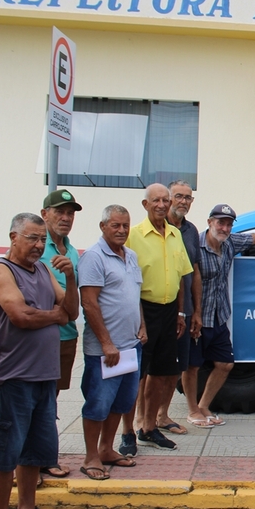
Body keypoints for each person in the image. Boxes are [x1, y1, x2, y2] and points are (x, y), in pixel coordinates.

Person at [0, 213, 76, 509]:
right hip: (12, 376)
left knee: (36, 449)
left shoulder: (44, 270)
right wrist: (54, 315)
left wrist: (70, 277)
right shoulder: (1, 272)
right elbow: (20, 316)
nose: (38, 245)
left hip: (44, 375)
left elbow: (72, 311)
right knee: (5, 451)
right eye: (32, 238)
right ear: (13, 237)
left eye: (41, 239)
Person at [187, 204, 255, 425]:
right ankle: (192, 411)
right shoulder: (194, 246)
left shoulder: (230, 242)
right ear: (210, 222)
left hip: (219, 317)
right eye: (221, 223)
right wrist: (190, 314)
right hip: (198, 318)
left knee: (225, 364)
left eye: (229, 224)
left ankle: (203, 406)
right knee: (192, 367)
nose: (225, 228)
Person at [120, 184, 192, 454]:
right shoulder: (133, 236)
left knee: (162, 375)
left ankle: (149, 428)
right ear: (145, 204)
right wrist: (138, 321)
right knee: (135, 376)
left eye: (165, 200)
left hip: (170, 311)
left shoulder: (175, 234)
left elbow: (182, 276)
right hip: (142, 311)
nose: (162, 205)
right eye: (156, 201)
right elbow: (126, 282)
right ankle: (128, 431)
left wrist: (181, 313)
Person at [77, 206, 146, 480]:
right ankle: (91, 456)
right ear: (103, 226)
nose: (121, 230)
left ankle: (107, 449)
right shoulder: (93, 258)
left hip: (131, 347)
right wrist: (106, 343)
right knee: (98, 404)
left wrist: (142, 325)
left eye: (125, 226)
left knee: (121, 402)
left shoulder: (130, 256)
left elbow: (134, 296)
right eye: (115, 225)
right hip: (106, 351)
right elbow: (89, 303)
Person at [39, 188, 82, 479]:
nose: (65, 218)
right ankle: (38, 459)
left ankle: (43, 454)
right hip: (39, 338)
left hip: (66, 335)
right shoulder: (36, 247)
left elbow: (75, 297)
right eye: (59, 212)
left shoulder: (73, 251)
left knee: (50, 400)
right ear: (45, 214)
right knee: (38, 400)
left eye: (70, 213)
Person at [165, 180, 202, 433]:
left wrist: (196, 311)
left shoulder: (191, 231)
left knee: (177, 368)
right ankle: (144, 420)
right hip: (160, 310)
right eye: (179, 196)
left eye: (188, 198)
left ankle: (161, 417)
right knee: (154, 370)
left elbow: (195, 273)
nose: (184, 202)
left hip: (186, 311)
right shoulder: (156, 227)